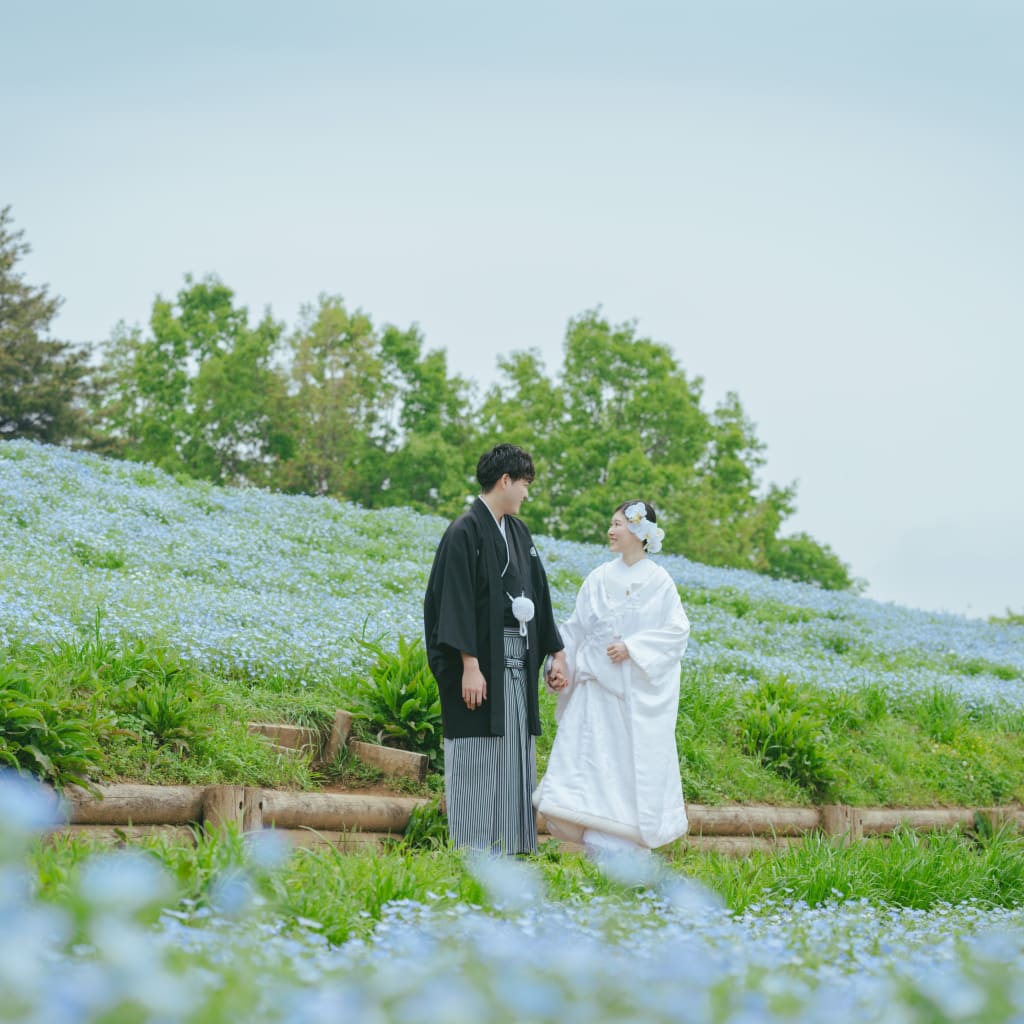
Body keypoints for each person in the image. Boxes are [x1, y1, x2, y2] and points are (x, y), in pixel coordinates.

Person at [424, 443, 568, 854]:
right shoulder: (463, 531)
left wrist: (555, 654)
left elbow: (538, 594)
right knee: (477, 757)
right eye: (524, 484)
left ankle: (513, 847)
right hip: (481, 663)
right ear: (505, 480)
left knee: (514, 758)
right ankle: (472, 849)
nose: (526, 494)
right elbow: (452, 601)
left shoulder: (520, 533)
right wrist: (468, 664)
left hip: (516, 664)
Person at [533, 500, 690, 857]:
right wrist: (559, 664)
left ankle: (620, 849)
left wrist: (632, 648)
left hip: (628, 700)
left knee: (621, 772)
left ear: (640, 532)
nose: (611, 530)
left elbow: (676, 633)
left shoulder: (659, 582)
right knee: (586, 768)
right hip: (592, 697)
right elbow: (576, 630)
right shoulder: (599, 577)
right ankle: (594, 841)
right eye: (612, 523)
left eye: (619, 524)